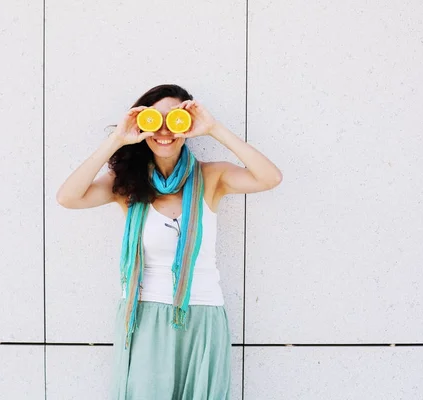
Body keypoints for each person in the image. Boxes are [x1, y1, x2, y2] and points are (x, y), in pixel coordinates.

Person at [56, 84, 282, 399]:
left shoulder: (211, 177)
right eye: (154, 120)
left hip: (202, 315)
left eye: (174, 120)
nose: (164, 130)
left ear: (187, 127)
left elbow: (270, 177)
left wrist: (214, 128)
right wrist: (118, 138)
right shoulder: (126, 184)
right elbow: (67, 197)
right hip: (145, 317)